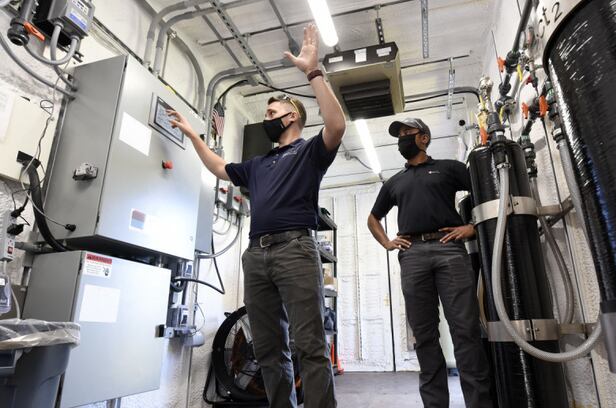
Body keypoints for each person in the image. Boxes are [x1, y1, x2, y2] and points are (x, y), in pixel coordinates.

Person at [168, 24, 344, 408]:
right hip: (256, 255)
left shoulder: (311, 152)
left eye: (272, 111)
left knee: (310, 346)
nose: (266, 116)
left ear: (293, 117)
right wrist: (194, 136)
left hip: (295, 249)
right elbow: (219, 167)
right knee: (268, 348)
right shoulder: (258, 163)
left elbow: (336, 125)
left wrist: (312, 72)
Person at [367, 118, 493, 408]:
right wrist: (387, 241)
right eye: (399, 136)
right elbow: (373, 218)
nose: (402, 140)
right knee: (424, 336)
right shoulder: (395, 181)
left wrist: (472, 226)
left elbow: (485, 189)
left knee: (466, 331)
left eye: (407, 134)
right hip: (412, 255)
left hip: (449, 250)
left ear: (424, 138)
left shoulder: (449, 168)